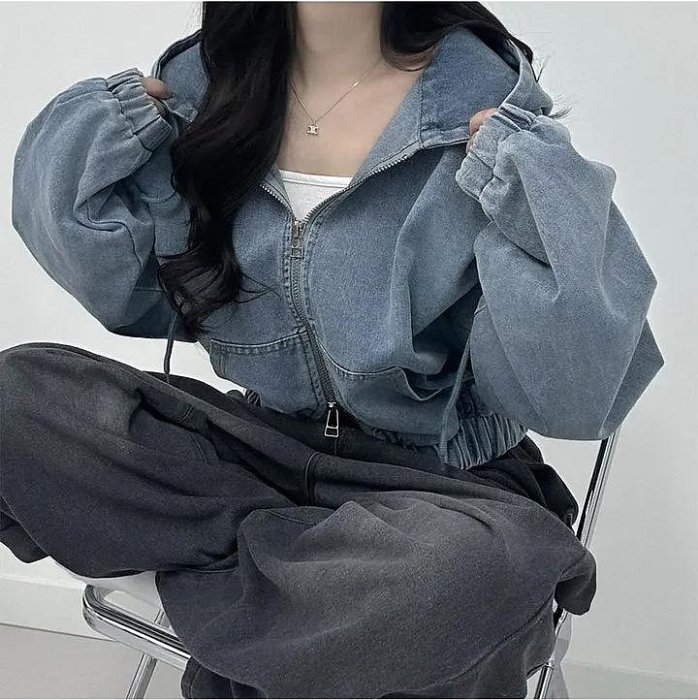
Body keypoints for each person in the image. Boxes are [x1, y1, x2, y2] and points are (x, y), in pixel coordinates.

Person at [1, 2, 664, 698]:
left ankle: (271, 605)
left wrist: (538, 194)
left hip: (439, 487)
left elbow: (573, 397)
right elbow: (129, 296)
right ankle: (320, 604)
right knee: (20, 397)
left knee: (456, 573)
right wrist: (100, 130)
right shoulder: (207, 94)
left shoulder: (482, 113)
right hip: (254, 451)